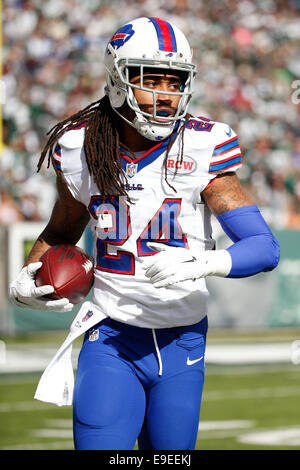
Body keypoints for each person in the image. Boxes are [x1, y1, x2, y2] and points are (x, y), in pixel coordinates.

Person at [9, 17, 280, 450]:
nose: (165, 95)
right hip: (110, 334)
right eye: (150, 80)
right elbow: (61, 230)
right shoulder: (80, 148)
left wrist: (207, 262)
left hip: (183, 339)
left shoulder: (203, 146)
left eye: (175, 83)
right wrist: (30, 275)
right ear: (117, 80)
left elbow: (265, 248)